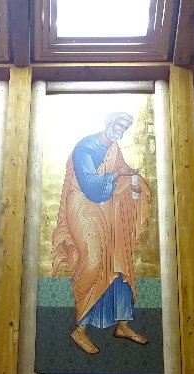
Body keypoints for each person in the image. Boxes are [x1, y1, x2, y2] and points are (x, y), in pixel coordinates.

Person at [53, 112, 152, 355]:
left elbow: (121, 178)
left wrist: (134, 183)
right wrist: (118, 176)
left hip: (108, 210)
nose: (121, 129)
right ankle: (80, 328)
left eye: (125, 127)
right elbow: (91, 186)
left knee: (119, 261)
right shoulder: (86, 148)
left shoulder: (114, 150)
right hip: (83, 207)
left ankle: (123, 324)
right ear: (109, 122)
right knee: (93, 261)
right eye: (119, 124)